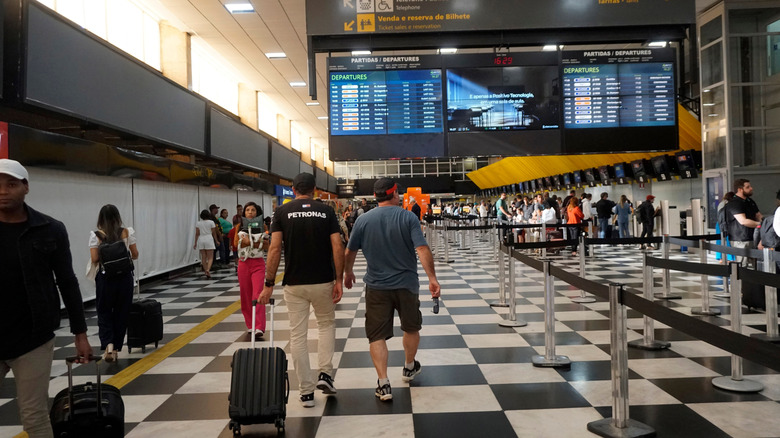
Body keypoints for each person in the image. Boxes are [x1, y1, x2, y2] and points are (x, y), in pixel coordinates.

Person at [0, 159, 93, 438]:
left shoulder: (50, 229)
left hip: (33, 338)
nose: (3, 191)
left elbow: (67, 281)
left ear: (26, 187)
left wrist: (80, 333)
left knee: (34, 414)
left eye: (12, 184)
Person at [344, 178, 440, 402]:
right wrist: (432, 278)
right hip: (406, 285)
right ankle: (408, 366)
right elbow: (422, 248)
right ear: (395, 193)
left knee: (376, 335)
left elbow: (350, 251)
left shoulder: (363, 220)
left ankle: (383, 383)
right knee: (411, 326)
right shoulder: (408, 217)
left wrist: (347, 273)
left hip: (376, 286)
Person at [258, 173, 344, 408]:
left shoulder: (282, 212)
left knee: (298, 335)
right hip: (323, 280)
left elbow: (274, 249)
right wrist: (339, 278)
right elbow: (337, 245)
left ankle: (306, 392)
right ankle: (325, 374)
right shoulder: (326, 211)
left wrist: (268, 284)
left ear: (293, 189)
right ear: (314, 189)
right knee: (326, 324)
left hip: (294, 282)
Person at [88, 204, 139, 363]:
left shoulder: (96, 235)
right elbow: (135, 255)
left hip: (105, 278)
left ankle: (108, 345)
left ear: (100, 218)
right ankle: (116, 347)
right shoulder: (126, 232)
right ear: (117, 217)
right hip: (124, 278)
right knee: (121, 312)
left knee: (104, 311)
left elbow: (95, 259)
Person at [236, 202, 267, 336]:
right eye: (247, 210)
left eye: (253, 210)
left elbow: (267, 245)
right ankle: (250, 324)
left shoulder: (263, 227)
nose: (250, 212)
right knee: (246, 295)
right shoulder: (239, 227)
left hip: (258, 264)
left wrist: (250, 242)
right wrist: (253, 243)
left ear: (257, 212)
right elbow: (235, 244)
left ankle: (259, 326)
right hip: (243, 263)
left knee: (258, 294)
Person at [725, 179, 762, 266]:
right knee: (743, 264)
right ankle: (742, 280)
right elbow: (743, 221)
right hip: (740, 239)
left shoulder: (750, 201)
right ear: (740, 189)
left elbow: (759, 215)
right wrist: (760, 224)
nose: (751, 188)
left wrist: (765, 222)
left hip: (753, 237)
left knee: (754, 264)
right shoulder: (735, 203)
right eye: (748, 187)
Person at [194, 209, 219, 278]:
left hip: (201, 239)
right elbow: (214, 233)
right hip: (209, 238)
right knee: (210, 257)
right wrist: (216, 240)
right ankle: (208, 269)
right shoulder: (211, 222)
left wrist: (195, 243)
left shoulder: (198, 223)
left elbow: (197, 234)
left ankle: (205, 270)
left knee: (203, 257)